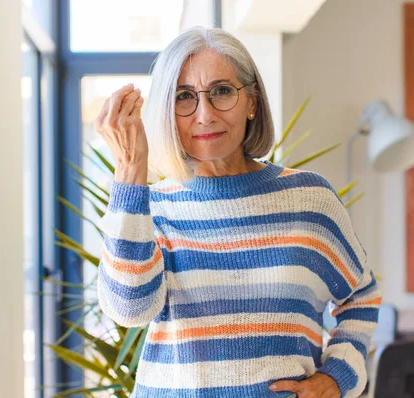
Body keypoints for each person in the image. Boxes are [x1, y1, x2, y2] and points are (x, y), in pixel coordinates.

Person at [94, 27, 381, 398]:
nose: (204, 114)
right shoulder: (150, 207)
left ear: (252, 102)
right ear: (167, 112)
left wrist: (337, 379)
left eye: (222, 92)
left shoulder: (308, 200)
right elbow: (128, 309)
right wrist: (131, 170)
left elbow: (361, 296)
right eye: (184, 97)